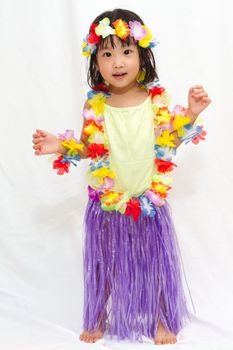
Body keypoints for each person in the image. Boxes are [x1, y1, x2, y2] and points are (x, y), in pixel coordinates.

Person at [32, 8, 211, 346]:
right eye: (107, 53)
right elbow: (89, 146)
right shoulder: (96, 106)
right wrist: (59, 144)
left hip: (147, 200)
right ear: (95, 61)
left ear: (142, 55)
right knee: (104, 266)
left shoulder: (155, 101)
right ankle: (98, 315)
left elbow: (171, 137)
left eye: (126, 51)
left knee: (156, 264)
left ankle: (162, 318)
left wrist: (191, 112)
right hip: (107, 203)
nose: (117, 62)